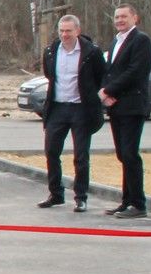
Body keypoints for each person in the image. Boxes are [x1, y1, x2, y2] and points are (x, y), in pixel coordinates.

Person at [37, 14, 106, 212]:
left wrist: (97, 99)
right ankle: (56, 193)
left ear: (78, 31)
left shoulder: (91, 53)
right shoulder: (50, 51)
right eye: (61, 31)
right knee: (51, 151)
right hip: (57, 108)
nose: (65, 35)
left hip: (81, 109)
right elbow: (49, 75)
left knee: (81, 156)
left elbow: (101, 76)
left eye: (68, 31)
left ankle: (81, 197)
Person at [101, 3, 151, 218]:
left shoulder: (140, 40)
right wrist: (107, 92)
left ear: (135, 18)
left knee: (131, 154)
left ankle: (138, 204)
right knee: (123, 154)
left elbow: (136, 71)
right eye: (117, 17)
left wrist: (109, 90)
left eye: (124, 16)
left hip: (133, 106)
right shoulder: (116, 41)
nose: (120, 20)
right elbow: (111, 71)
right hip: (117, 107)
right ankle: (126, 200)